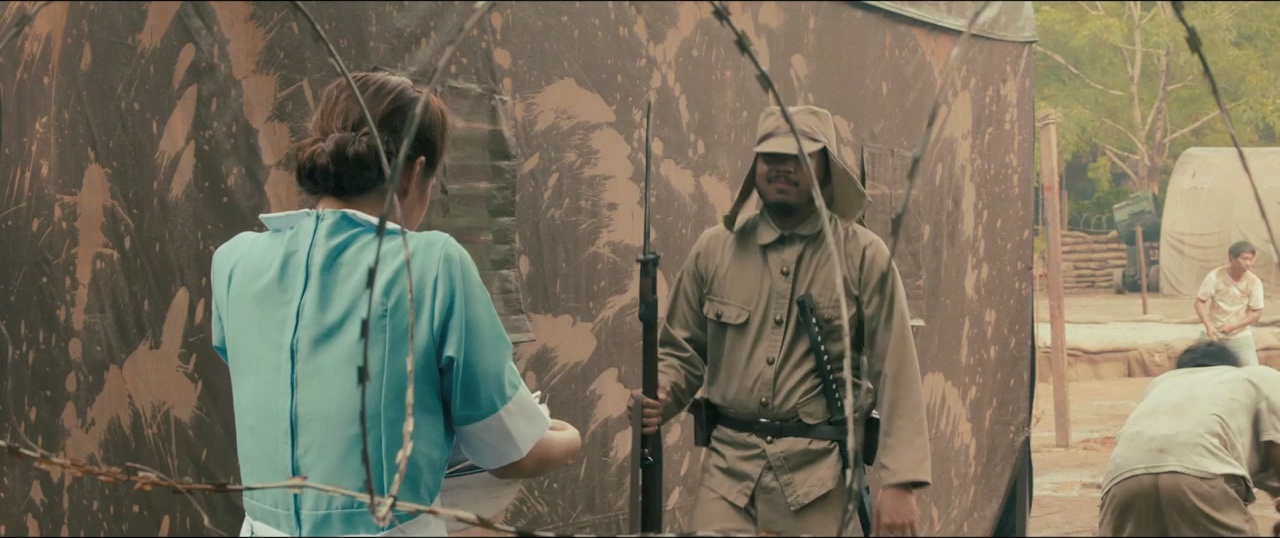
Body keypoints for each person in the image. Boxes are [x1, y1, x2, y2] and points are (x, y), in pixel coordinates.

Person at [210, 72, 582, 537]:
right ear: (413, 173)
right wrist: (569, 438)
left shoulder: (233, 262)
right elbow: (513, 454)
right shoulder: (432, 263)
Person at [629, 105, 932, 535]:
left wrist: (902, 482)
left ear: (825, 168)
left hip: (817, 480)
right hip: (728, 477)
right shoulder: (714, 250)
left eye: (798, 157)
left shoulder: (864, 257)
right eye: (771, 156)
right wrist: (661, 391)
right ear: (756, 164)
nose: (782, 167)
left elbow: (897, 373)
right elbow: (682, 350)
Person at [1098, 341, 1280, 536]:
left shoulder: (1161, 384)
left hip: (1123, 480)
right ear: (1233, 366)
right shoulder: (1256, 377)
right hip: (1201, 472)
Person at [1194, 241, 1265, 366]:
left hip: (1240, 334)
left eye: (1250, 259)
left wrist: (1234, 326)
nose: (1248, 263)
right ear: (1232, 257)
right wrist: (1208, 325)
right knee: (1195, 365)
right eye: (1244, 259)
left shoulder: (1254, 282)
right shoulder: (1215, 276)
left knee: (1252, 368)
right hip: (1214, 332)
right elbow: (1199, 302)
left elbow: (1257, 312)